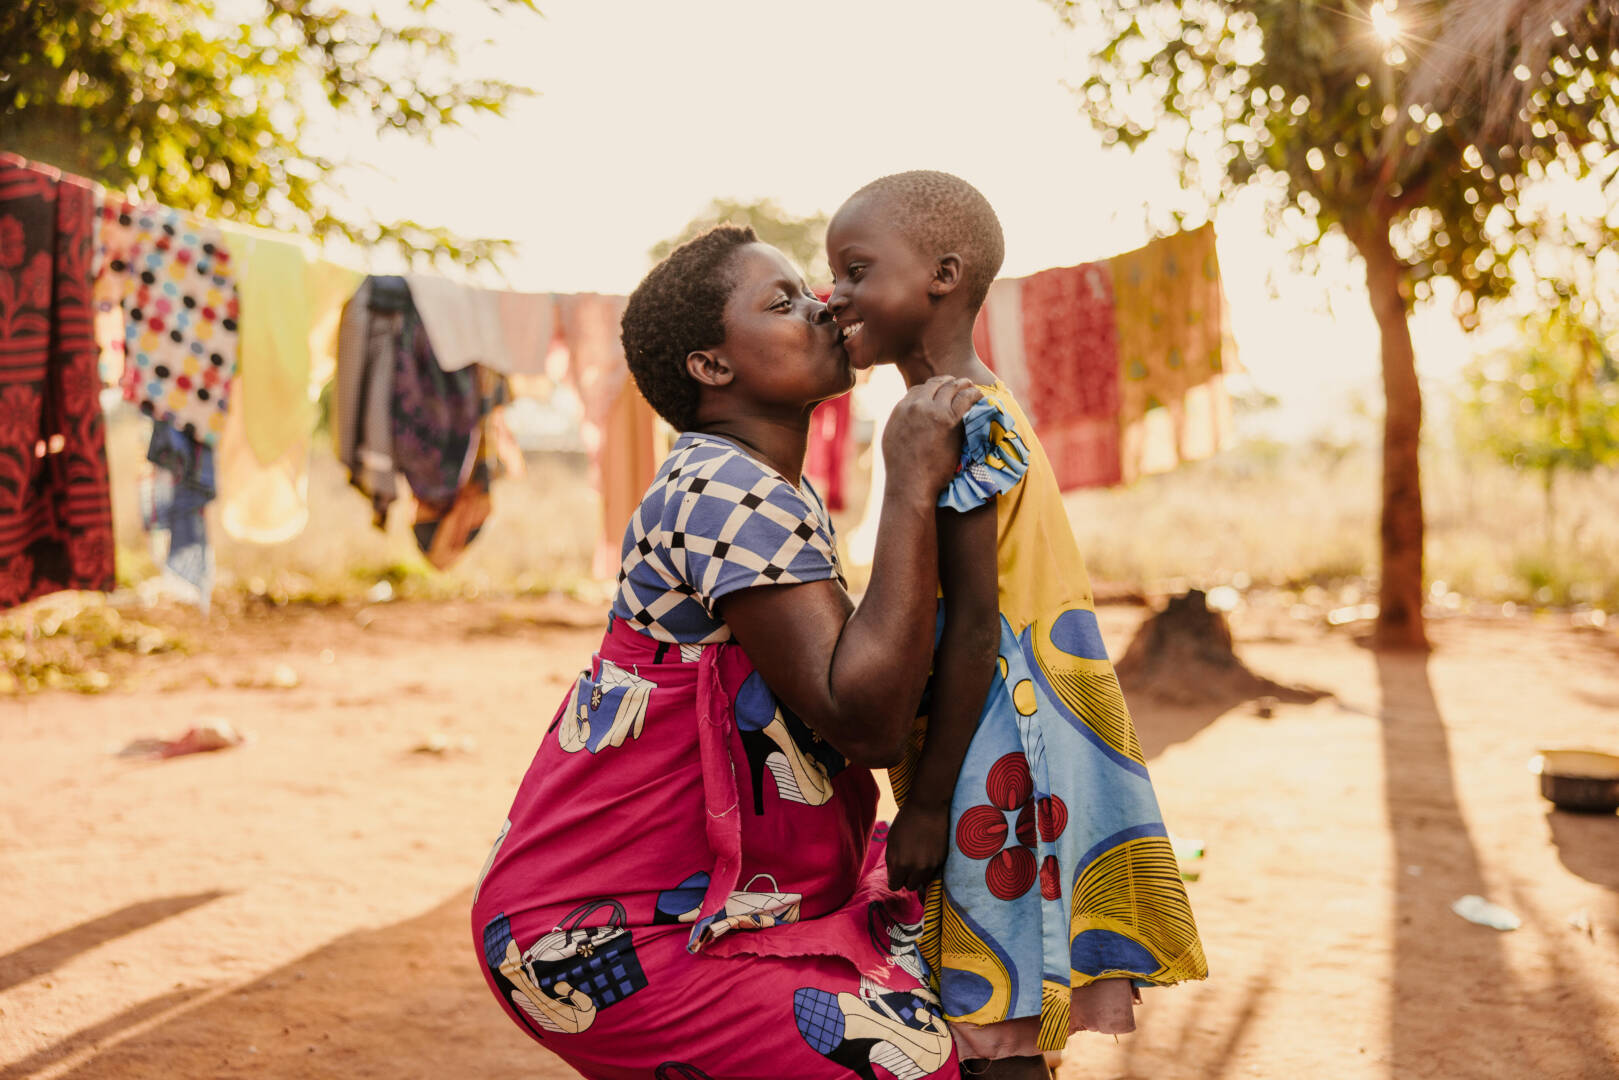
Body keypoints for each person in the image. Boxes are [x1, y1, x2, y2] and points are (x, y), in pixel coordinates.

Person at [470, 224, 985, 1079]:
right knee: (914, 1061)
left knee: (977, 961)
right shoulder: (722, 487)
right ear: (711, 366)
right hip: (599, 937)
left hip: (716, 903)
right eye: (782, 302)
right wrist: (906, 481)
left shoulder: (753, 481)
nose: (820, 306)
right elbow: (865, 722)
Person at [825, 172, 1209, 1079]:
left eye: (855, 269)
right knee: (993, 1007)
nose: (831, 294)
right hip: (999, 735)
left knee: (992, 1025)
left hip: (999, 749)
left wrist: (923, 805)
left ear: (943, 275)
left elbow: (970, 631)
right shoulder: (946, 405)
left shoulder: (962, 417)